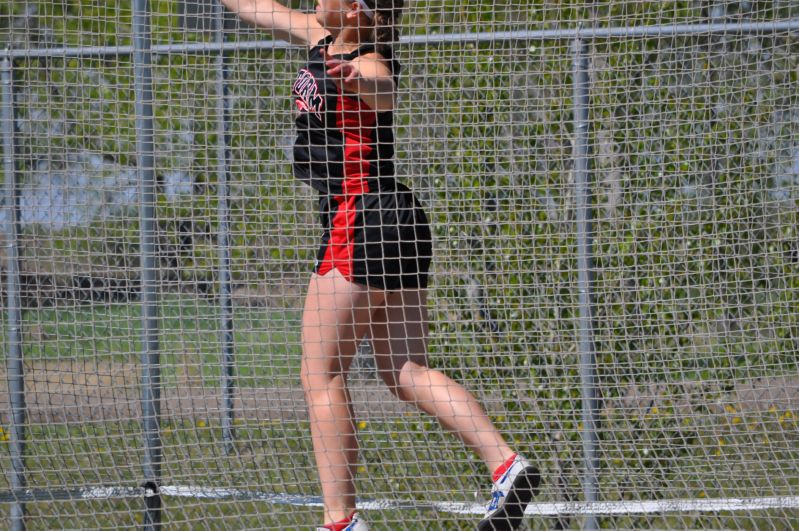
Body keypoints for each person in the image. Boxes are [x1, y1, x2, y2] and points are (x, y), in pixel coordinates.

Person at [220, 0, 541, 528]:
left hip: (360, 215)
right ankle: (505, 464)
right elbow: (262, 10)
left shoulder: (369, 58)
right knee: (404, 371)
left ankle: (341, 520)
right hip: (397, 216)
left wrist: (359, 80)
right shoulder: (317, 37)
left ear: (353, 9)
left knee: (320, 375)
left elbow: (383, 89)